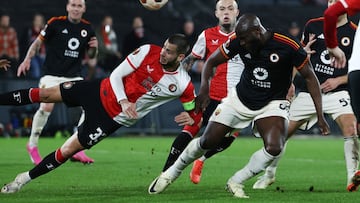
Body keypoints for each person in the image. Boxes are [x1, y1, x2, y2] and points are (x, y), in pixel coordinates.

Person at [148, 13, 330, 198]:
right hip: (241, 98)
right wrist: (204, 89)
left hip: (273, 102)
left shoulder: (288, 44)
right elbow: (211, 62)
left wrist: (320, 115)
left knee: (275, 147)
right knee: (207, 141)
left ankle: (236, 180)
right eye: (240, 39)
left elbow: (310, 77)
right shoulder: (238, 40)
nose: (241, 43)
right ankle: (170, 174)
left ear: (257, 32)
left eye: (244, 39)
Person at [0, 33, 202, 194]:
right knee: (45, 94)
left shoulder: (182, 84)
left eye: (168, 51)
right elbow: (116, 74)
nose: (162, 53)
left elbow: (194, 113)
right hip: (97, 91)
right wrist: (124, 101)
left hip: (109, 119)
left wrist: (190, 117)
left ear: (180, 57)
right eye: (164, 47)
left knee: (68, 150)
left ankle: (22, 179)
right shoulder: (148, 50)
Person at [252, 0, 359, 192]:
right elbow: (297, 55)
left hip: (338, 93)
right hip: (310, 93)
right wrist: (290, 82)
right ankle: (269, 174)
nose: (332, 3)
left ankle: (352, 178)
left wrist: (338, 80)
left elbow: (356, 68)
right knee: (281, 135)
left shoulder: (354, 32)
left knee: (350, 129)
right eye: (330, 0)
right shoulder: (313, 25)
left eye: (336, 1)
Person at [155, 0, 242, 185]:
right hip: (209, 97)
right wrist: (177, 80)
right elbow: (190, 61)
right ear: (216, 13)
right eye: (222, 9)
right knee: (190, 129)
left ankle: (201, 160)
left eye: (230, 9)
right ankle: (164, 173)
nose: (226, 12)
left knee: (226, 139)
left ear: (237, 12)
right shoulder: (207, 35)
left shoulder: (246, 36)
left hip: (236, 99)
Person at [16, 0, 98, 165]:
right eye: (73, 5)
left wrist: (95, 48)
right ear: (67, 7)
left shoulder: (87, 28)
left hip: (74, 76)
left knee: (90, 106)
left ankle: (76, 148)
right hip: (51, 75)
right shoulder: (55, 23)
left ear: (84, 9)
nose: (76, 8)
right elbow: (37, 43)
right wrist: (27, 60)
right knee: (47, 106)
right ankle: (32, 145)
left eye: (79, 6)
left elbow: (92, 59)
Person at [323, 0, 360, 192]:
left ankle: (354, 174)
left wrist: (332, 46)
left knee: (356, 127)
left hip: (354, 74)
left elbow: (331, 14)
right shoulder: (312, 25)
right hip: (315, 91)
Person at [20, 13, 46, 79]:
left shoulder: (44, 31)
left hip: (42, 54)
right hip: (32, 55)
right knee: (36, 70)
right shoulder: (29, 31)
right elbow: (24, 43)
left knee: (45, 70)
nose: (38, 22)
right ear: (33, 21)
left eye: (39, 20)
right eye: (36, 20)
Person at [0, 13, 19, 78]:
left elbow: (15, 46)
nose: (5, 22)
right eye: (4, 20)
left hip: (10, 57)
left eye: (7, 21)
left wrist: (16, 57)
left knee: (13, 67)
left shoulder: (12, 31)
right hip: (0, 56)